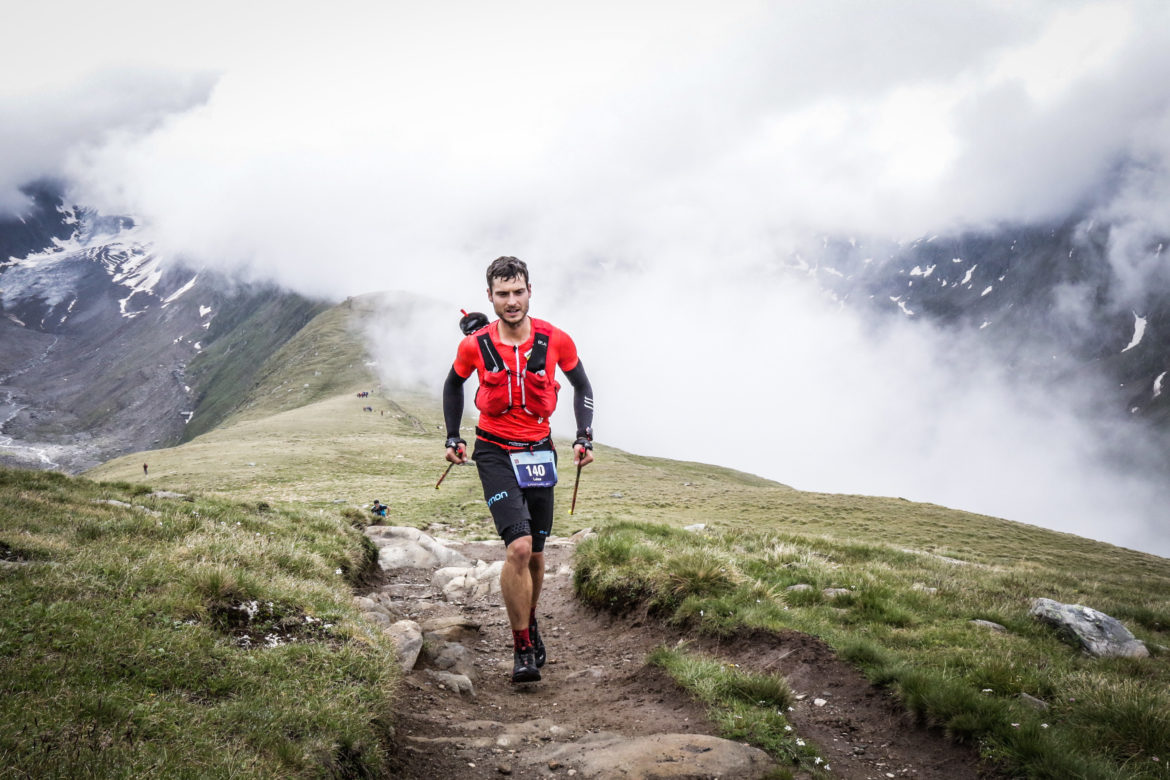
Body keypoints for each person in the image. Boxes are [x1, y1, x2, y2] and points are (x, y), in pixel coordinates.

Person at [442, 256, 594, 683]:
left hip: (539, 453)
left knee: (539, 556)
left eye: (518, 292)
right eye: (502, 294)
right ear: (489, 296)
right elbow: (453, 384)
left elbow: (582, 385)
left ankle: (530, 617)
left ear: (530, 291)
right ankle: (522, 646)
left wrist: (584, 436)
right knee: (519, 549)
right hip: (493, 452)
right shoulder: (475, 345)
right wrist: (453, 437)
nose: (511, 301)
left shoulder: (555, 339)